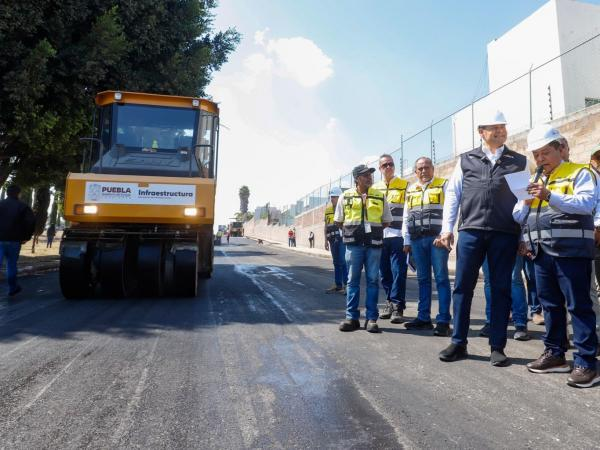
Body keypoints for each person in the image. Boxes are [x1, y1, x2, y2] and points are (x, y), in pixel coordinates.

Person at [438, 110, 527, 367]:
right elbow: (453, 195)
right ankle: (458, 342)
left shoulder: (518, 161)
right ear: (481, 132)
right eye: (494, 127)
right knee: (462, 287)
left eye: (503, 127)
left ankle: (497, 347)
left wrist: (523, 235)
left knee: (501, 289)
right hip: (471, 231)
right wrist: (447, 229)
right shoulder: (466, 160)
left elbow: (524, 200)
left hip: (504, 233)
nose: (500, 131)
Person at [514, 124, 598, 388]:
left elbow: (586, 204)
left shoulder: (580, 172)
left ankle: (587, 362)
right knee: (550, 305)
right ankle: (555, 354)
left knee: (578, 306)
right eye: (536, 155)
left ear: (560, 149)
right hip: (541, 252)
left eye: (545, 153)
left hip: (571, 251)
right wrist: (524, 203)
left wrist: (550, 195)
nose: (540, 159)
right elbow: (518, 216)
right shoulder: (536, 179)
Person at [335, 164, 392, 333]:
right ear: (357, 178)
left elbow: (386, 221)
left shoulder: (379, 196)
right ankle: (351, 318)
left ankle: (371, 319)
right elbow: (339, 220)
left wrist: (372, 232)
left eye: (370, 175)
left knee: (373, 281)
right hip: (353, 246)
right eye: (365, 175)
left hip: (374, 245)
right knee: (352, 281)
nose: (369, 177)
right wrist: (354, 232)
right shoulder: (345, 196)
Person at [402, 157, 452, 336]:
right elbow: (406, 215)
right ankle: (423, 318)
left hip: (437, 239)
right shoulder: (411, 189)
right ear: (416, 172)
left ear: (433, 168)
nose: (424, 171)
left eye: (427, 167)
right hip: (417, 240)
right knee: (423, 279)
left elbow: (451, 210)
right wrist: (406, 240)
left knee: (441, 279)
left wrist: (445, 233)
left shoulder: (443, 184)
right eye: (420, 168)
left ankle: (443, 321)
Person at [373, 154, 409, 324]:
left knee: (399, 272)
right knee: (384, 273)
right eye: (385, 165)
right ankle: (389, 301)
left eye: (391, 164)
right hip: (380, 237)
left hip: (398, 235)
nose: (388, 167)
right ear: (380, 169)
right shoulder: (374, 189)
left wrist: (408, 236)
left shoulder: (405, 185)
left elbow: (409, 211)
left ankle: (397, 306)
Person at [480, 256, 530, 341]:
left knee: (514, 279)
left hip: (512, 247)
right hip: (485, 248)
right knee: (489, 280)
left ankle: (520, 324)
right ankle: (491, 321)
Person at [0, 184, 36, 296]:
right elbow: (30, 222)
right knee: (11, 264)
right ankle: (12, 288)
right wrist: (26, 237)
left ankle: (13, 288)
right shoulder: (23, 206)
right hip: (14, 241)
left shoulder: (1, 204)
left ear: (7, 193)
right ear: (18, 194)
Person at [324, 187, 348, 294]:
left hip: (342, 239)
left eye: (334, 197)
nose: (332, 199)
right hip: (332, 239)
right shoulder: (328, 209)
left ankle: (346, 285)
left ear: (340, 197)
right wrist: (325, 240)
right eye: (331, 197)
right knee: (336, 262)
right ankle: (338, 285)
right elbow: (326, 225)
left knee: (343, 261)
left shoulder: (344, 208)